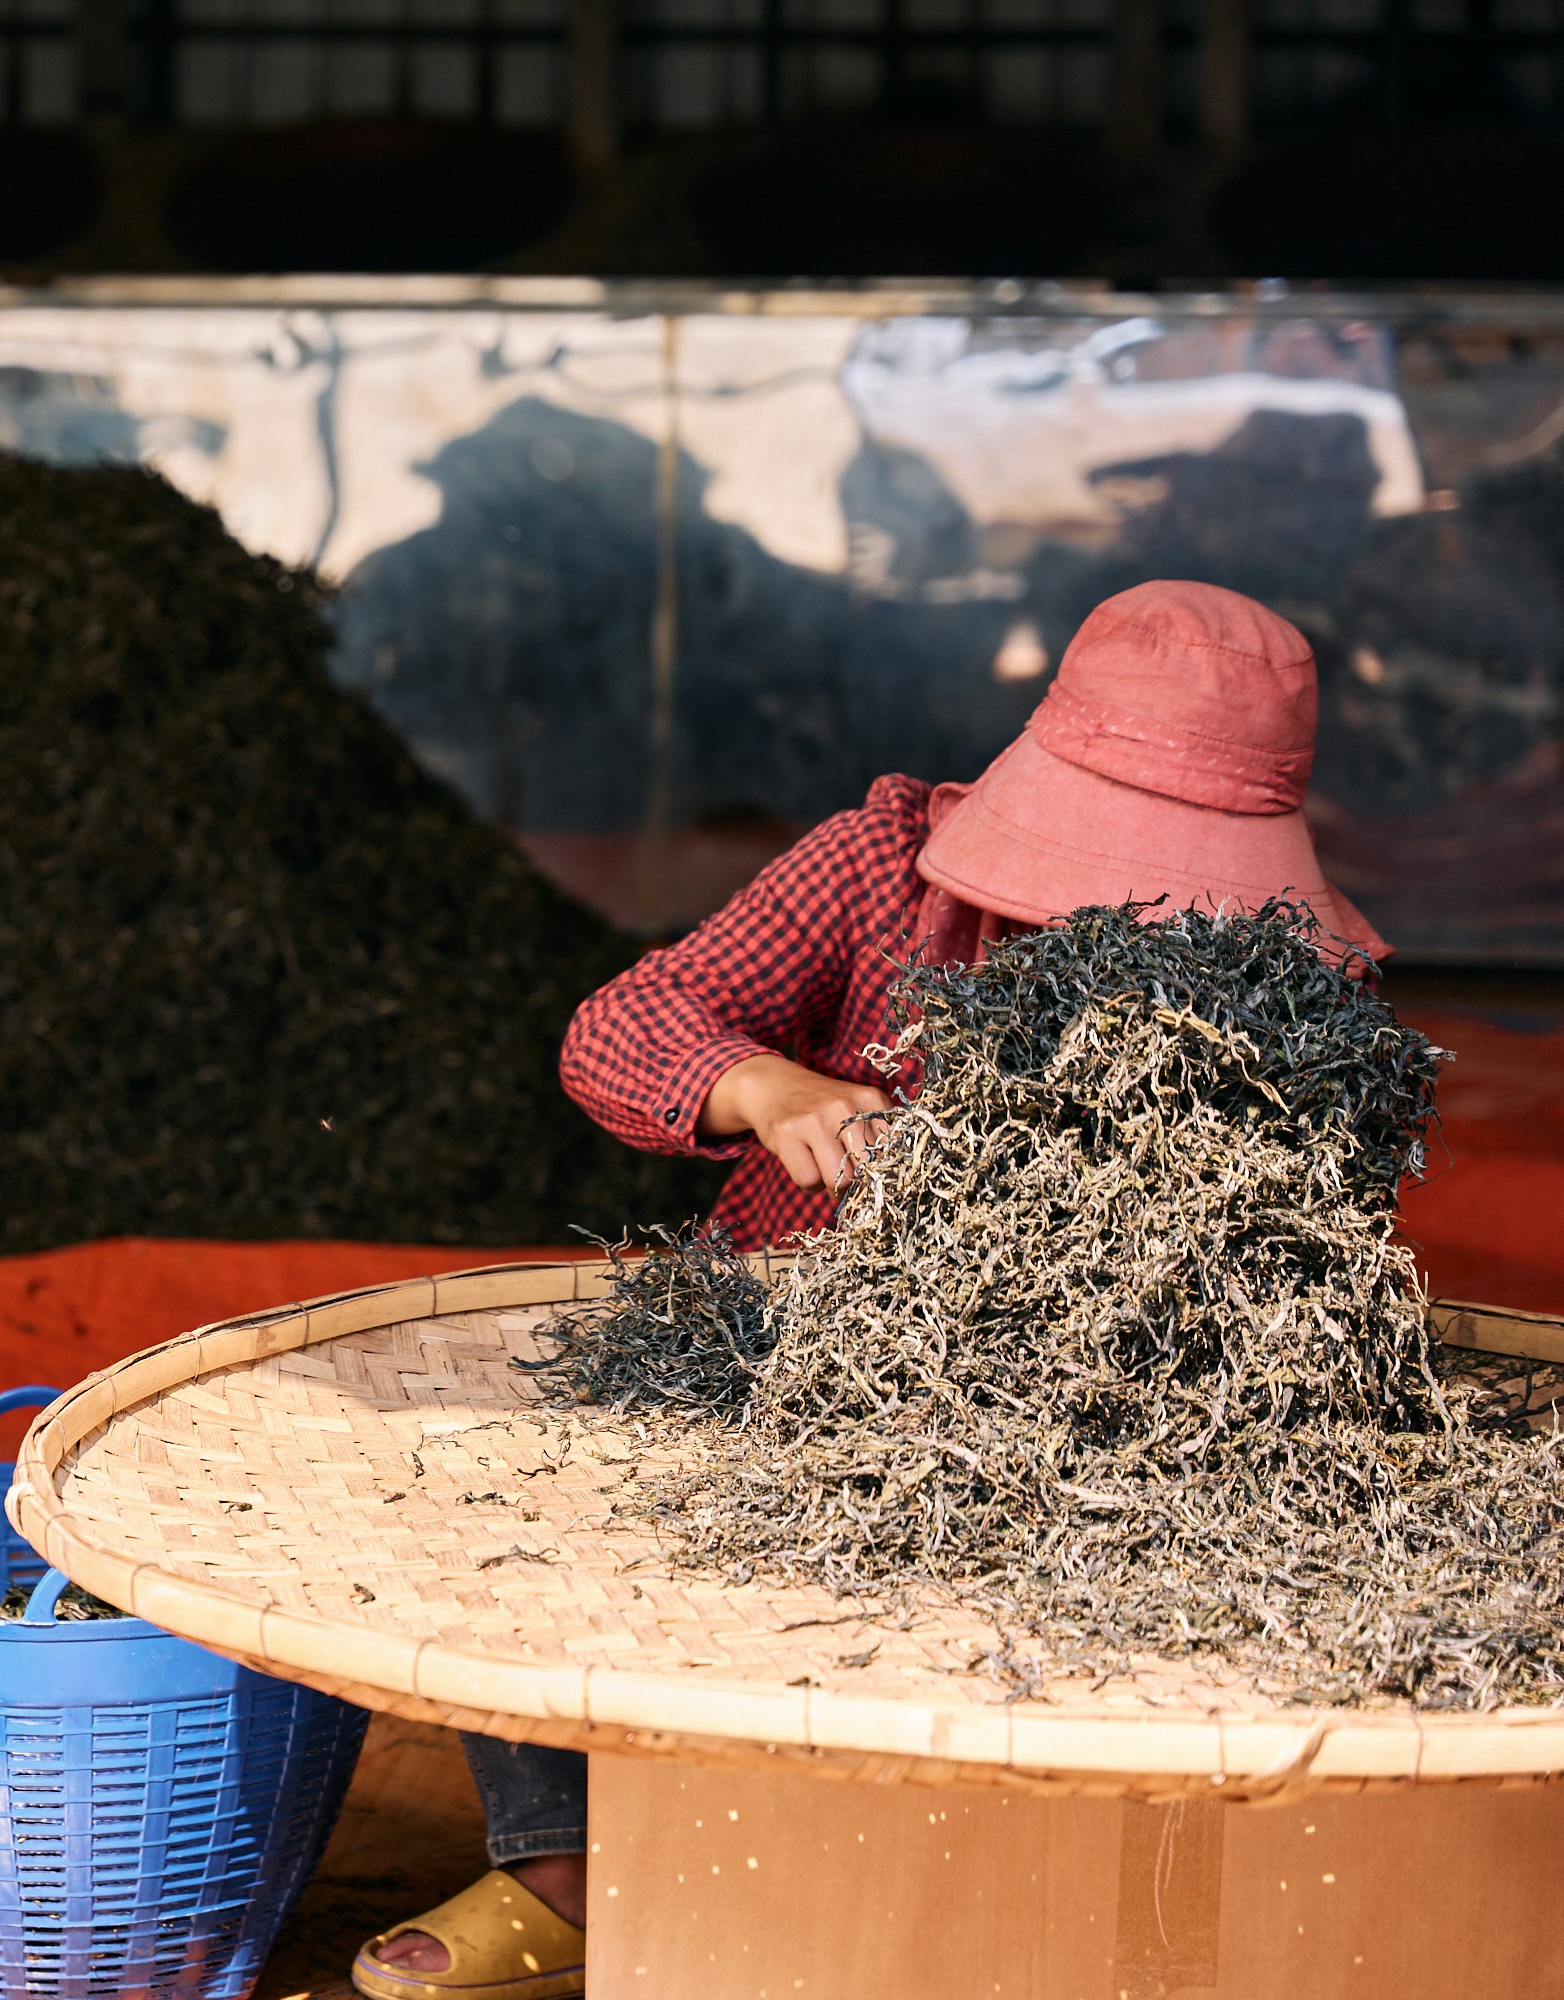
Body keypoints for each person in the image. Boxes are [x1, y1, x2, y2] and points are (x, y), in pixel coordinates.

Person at [349, 579, 1383, 2000]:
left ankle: (987, 1894)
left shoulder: (1280, 1005)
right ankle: (560, 1862)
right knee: (533, 1481)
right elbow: (621, 1027)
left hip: (1081, 1424)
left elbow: (1318, 1254)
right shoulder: (886, 870)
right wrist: (762, 1085)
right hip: (774, 1342)